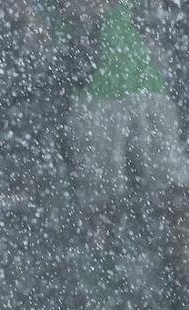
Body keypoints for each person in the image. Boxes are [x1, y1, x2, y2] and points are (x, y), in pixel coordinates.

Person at [67, 0, 189, 244]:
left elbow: (156, 17)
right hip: (95, 96)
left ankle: (178, 259)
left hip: (146, 88)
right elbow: (68, 12)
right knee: (100, 198)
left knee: (173, 187)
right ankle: (101, 265)